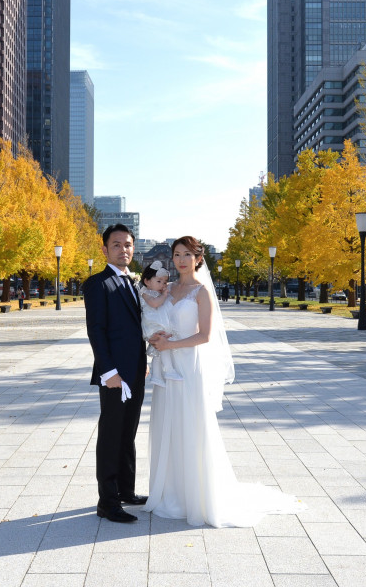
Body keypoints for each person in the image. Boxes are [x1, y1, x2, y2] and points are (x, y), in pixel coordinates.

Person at [145, 236, 305, 528]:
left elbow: (205, 336)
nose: (181, 260)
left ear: (198, 259)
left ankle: (198, 495)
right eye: (176, 254)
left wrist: (171, 346)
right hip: (166, 366)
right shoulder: (168, 289)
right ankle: (171, 492)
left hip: (190, 365)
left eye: (187, 254)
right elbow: (157, 319)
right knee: (167, 421)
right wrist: (155, 340)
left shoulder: (201, 291)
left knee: (191, 424)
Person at [83, 224, 148, 523]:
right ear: (105, 249)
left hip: (135, 370)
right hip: (114, 375)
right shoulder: (98, 283)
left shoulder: (133, 283)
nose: (124, 249)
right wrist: (108, 371)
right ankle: (107, 502)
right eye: (117, 244)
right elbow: (97, 330)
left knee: (128, 431)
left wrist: (143, 360)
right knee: (111, 435)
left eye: (128, 244)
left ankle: (126, 490)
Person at [139, 260, 181, 387]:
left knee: (159, 350)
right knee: (164, 346)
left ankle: (157, 375)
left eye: (164, 282)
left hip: (157, 324)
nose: (162, 285)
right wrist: (164, 295)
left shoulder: (156, 292)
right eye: (159, 281)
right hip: (152, 326)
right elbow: (154, 303)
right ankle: (169, 370)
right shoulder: (145, 292)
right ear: (147, 281)